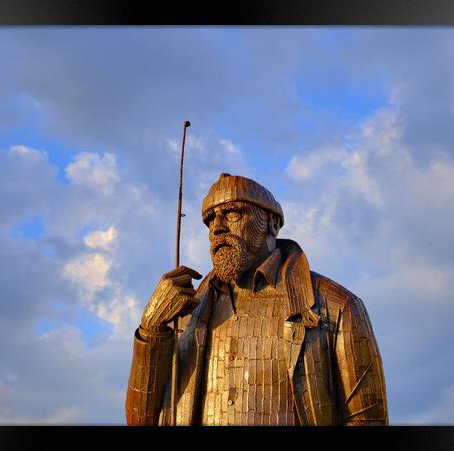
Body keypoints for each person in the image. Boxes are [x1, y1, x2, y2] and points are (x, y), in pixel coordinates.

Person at [126, 173, 388, 425]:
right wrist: (151, 332)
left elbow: (368, 418)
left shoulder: (336, 306)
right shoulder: (184, 316)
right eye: (210, 221)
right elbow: (140, 420)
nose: (217, 228)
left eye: (233, 213)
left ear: (272, 224)